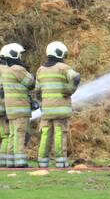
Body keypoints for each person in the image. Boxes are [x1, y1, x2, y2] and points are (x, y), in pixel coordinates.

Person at [34, 41, 81, 169]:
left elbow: (37, 91)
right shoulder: (63, 68)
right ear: (59, 53)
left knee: (45, 135)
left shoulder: (40, 70)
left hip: (46, 111)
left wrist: (41, 104)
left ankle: (42, 163)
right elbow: (76, 78)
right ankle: (61, 162)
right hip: (61, 111)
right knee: (60, 135)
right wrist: (70, 90)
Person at [1, 44, 35, 168]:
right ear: (15, 55)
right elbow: (31, 83)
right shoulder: (18, 69)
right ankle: (20, 163)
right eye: (20, 54)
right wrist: (30, 74)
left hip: (10, 109)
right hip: (20, 108)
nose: (21, 57)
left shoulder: (6, 71)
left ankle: (10, 162)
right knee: (20, 134)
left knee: (13, 135)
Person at [0, 44, 19, 167]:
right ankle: (3, 162)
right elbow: (3, 91)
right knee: (6, 135)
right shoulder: (4, 70)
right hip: (1, 109)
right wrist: (8, 109)